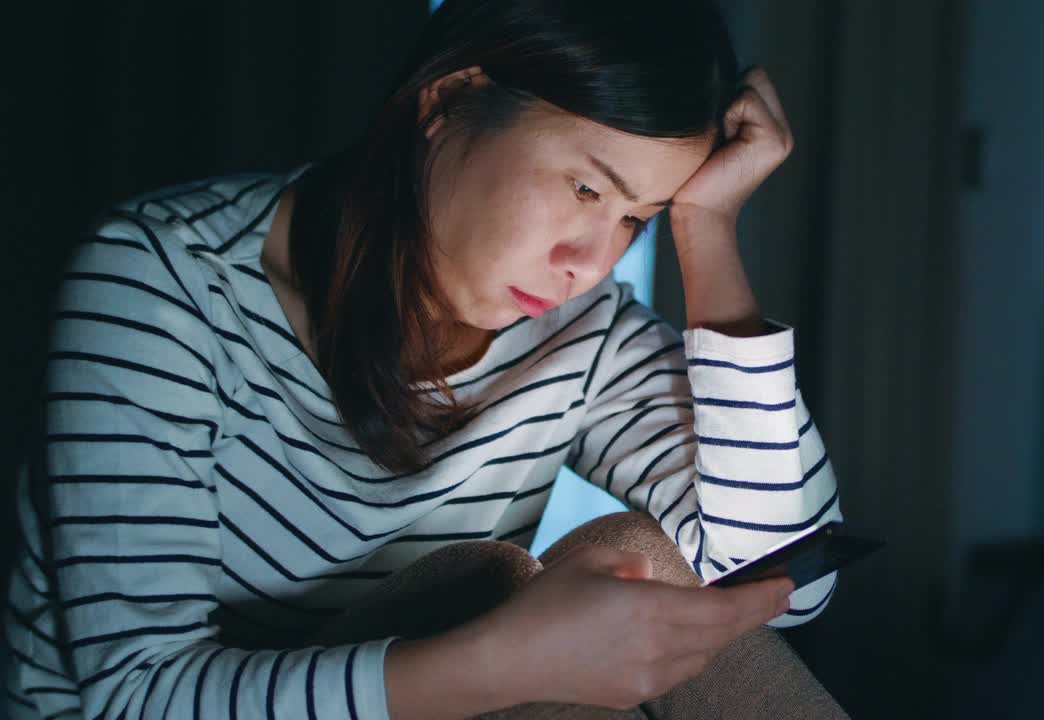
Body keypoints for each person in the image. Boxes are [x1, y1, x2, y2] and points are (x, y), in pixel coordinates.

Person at [4, 0, 846, 717]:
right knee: (491, 580)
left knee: (639, 557)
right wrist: (504, 659)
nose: (590, 262)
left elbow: (786, 584)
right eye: (587, 189)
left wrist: (709, 231)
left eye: (640, 218)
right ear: (450, 99)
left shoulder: (584, 332)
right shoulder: (166, 281)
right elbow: (134, 697)